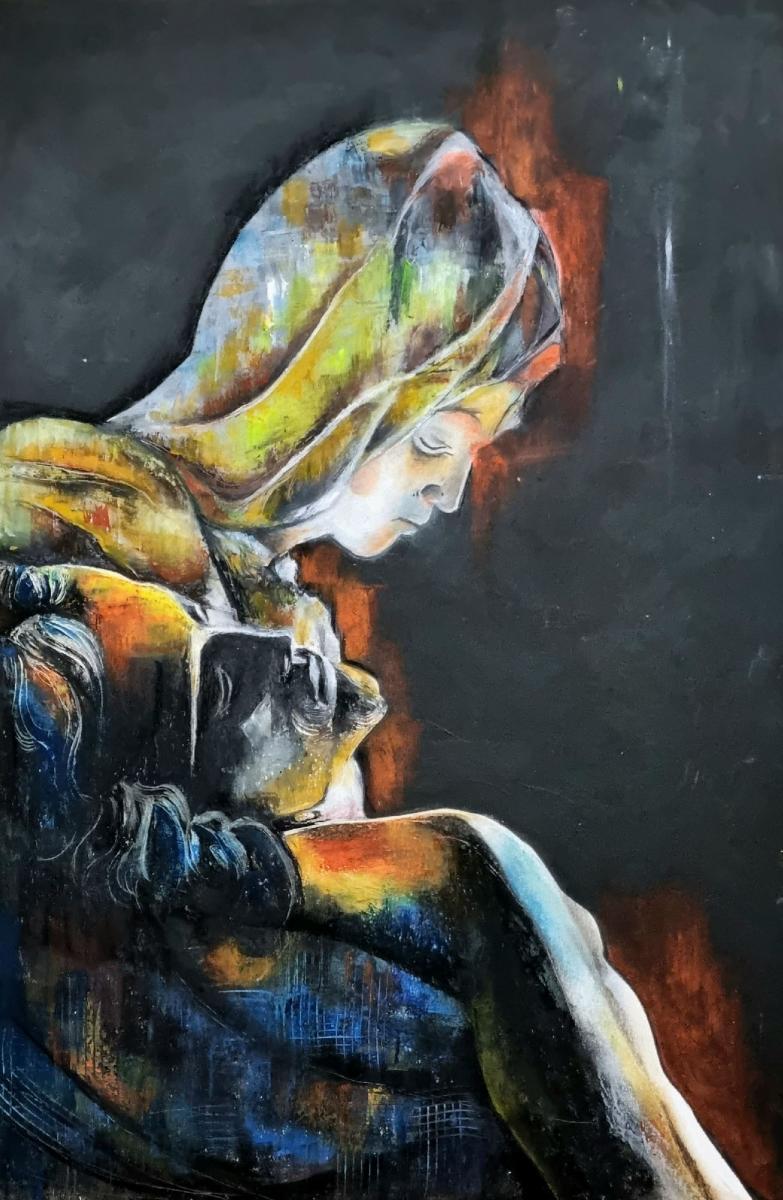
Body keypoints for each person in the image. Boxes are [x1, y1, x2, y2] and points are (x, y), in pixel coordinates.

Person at [0, 123, 750, 1199]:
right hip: (115, 1027)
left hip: (243, 1011)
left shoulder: (284, 614)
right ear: (332, 387)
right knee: (487, 887)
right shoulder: (69, 492)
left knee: (556, 960)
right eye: (435, 439)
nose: (449, 490)